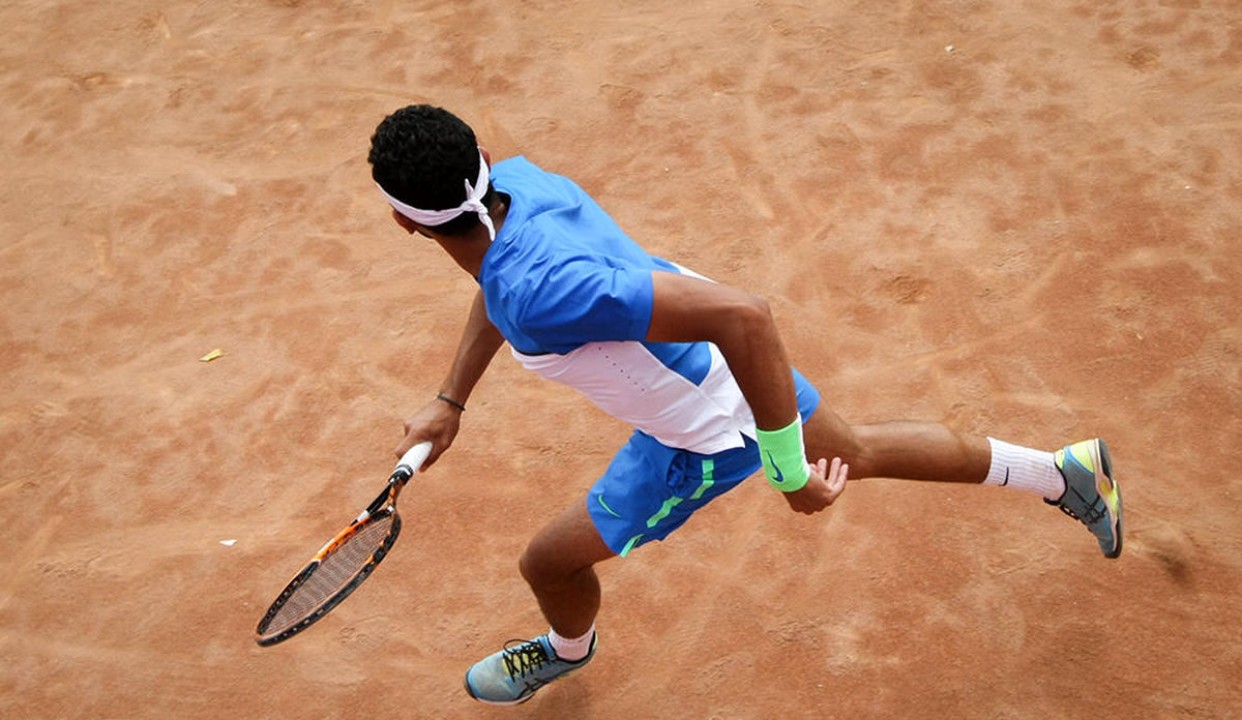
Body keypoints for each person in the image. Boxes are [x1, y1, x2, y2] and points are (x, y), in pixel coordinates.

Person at [366, 104, 1123, 706]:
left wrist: (786, 470)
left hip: (704, 430)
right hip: (738, 375)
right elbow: (501, 286)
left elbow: (745, 317)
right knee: (857, 452)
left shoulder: (536, 290)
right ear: (480, 161)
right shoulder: (517, 185)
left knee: (547, 564)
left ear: (404, 220)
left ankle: (568, 650)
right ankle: (1063, 473)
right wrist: (450, 398)